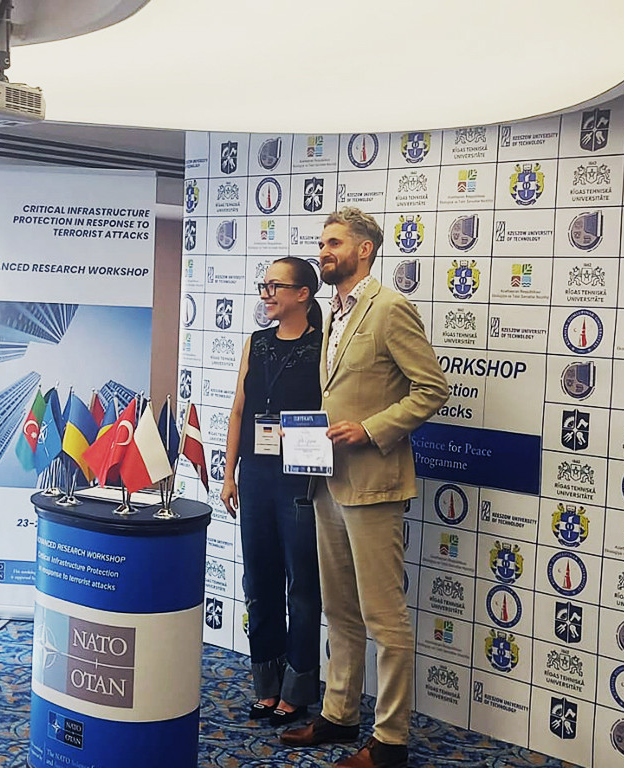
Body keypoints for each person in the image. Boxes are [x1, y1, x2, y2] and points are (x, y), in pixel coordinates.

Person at [280, 208, 449, 768]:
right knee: (339, 609)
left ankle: (391, 741)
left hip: (374, 483)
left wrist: (371, 428)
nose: (323, 252)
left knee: (384, 616)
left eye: (333, 243)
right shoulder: (334, 312)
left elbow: (432, 389)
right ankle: (339, 714)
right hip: (328, 481)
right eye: (322, 243)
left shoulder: (390, 308)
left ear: (364, 250)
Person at [221, 256, 324, 727]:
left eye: (274, 286)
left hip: (300, 479)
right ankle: (266, 684)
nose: (265, 294)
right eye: (263, 286)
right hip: (256, 477)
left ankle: (297, 691)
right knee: (258, 584)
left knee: (301, 588)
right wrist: (229, 474)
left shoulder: (323, 347)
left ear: (303, 294)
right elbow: (238, 411)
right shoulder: (256, 343)